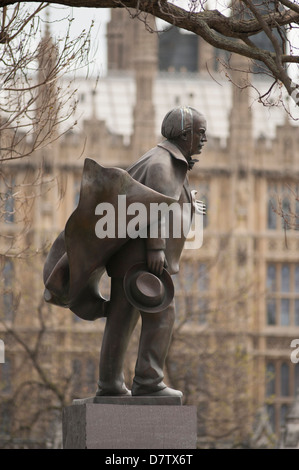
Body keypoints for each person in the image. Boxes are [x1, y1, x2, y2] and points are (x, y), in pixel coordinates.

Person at [97, 106, 207, 398]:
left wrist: (188, 205)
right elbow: (154, 207)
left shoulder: (163, 160)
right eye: (201, 133)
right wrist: (156, 247)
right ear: (185, 135)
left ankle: (109, 385)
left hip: (129, 255)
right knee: (162, 312)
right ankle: (148, 381)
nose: (204, 140)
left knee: (122, 316)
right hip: (143, 256)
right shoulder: (162, 164)